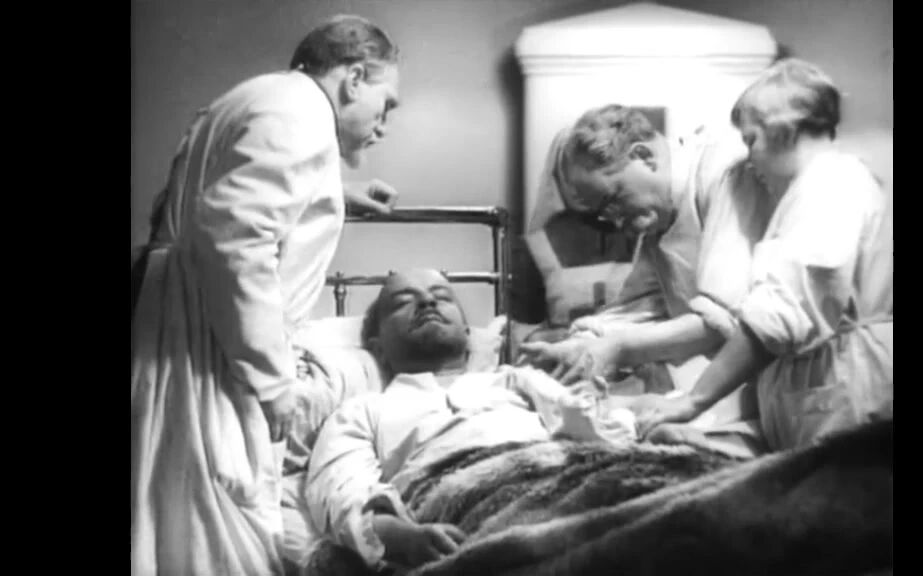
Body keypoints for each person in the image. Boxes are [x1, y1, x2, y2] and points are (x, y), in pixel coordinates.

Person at [131, 15, 401, 575]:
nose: (384, 124)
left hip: (177, 319)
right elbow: (235, 237)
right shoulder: (302, 115)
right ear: (355, 78)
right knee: (213, 528)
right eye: (387, 103)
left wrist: (336, 191)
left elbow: (218, 193)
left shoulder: (263, 97)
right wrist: (274, 382)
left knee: (171, 508)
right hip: (208, 344)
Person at [634, 59, 893, 451]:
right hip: (824, 404)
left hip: (850, 399)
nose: (749, 159)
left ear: (783, 129)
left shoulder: (834, 185)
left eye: (751, 140)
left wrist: (692, 401)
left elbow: (778, 317)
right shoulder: (810, 190)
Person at [304, 269, 636, 573]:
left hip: (562, 480)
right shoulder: (362, 411)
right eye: (403, 302)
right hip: (460, 509)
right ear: (377, 346)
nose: (428, 302)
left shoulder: (516, 379)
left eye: (442, 296)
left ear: (467, 332)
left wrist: (599, 411)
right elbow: (342, 491)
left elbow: (598, 432)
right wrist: (403, 537)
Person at [517, 104, 775, 447]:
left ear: (644, 156)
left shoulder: (724, 171)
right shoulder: (658, 216)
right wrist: (581, 345)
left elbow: (724, 319)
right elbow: (639, 307)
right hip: (759, 390)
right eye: (602, 213)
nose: (614, 220)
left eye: (613, 199)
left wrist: (617, 349)